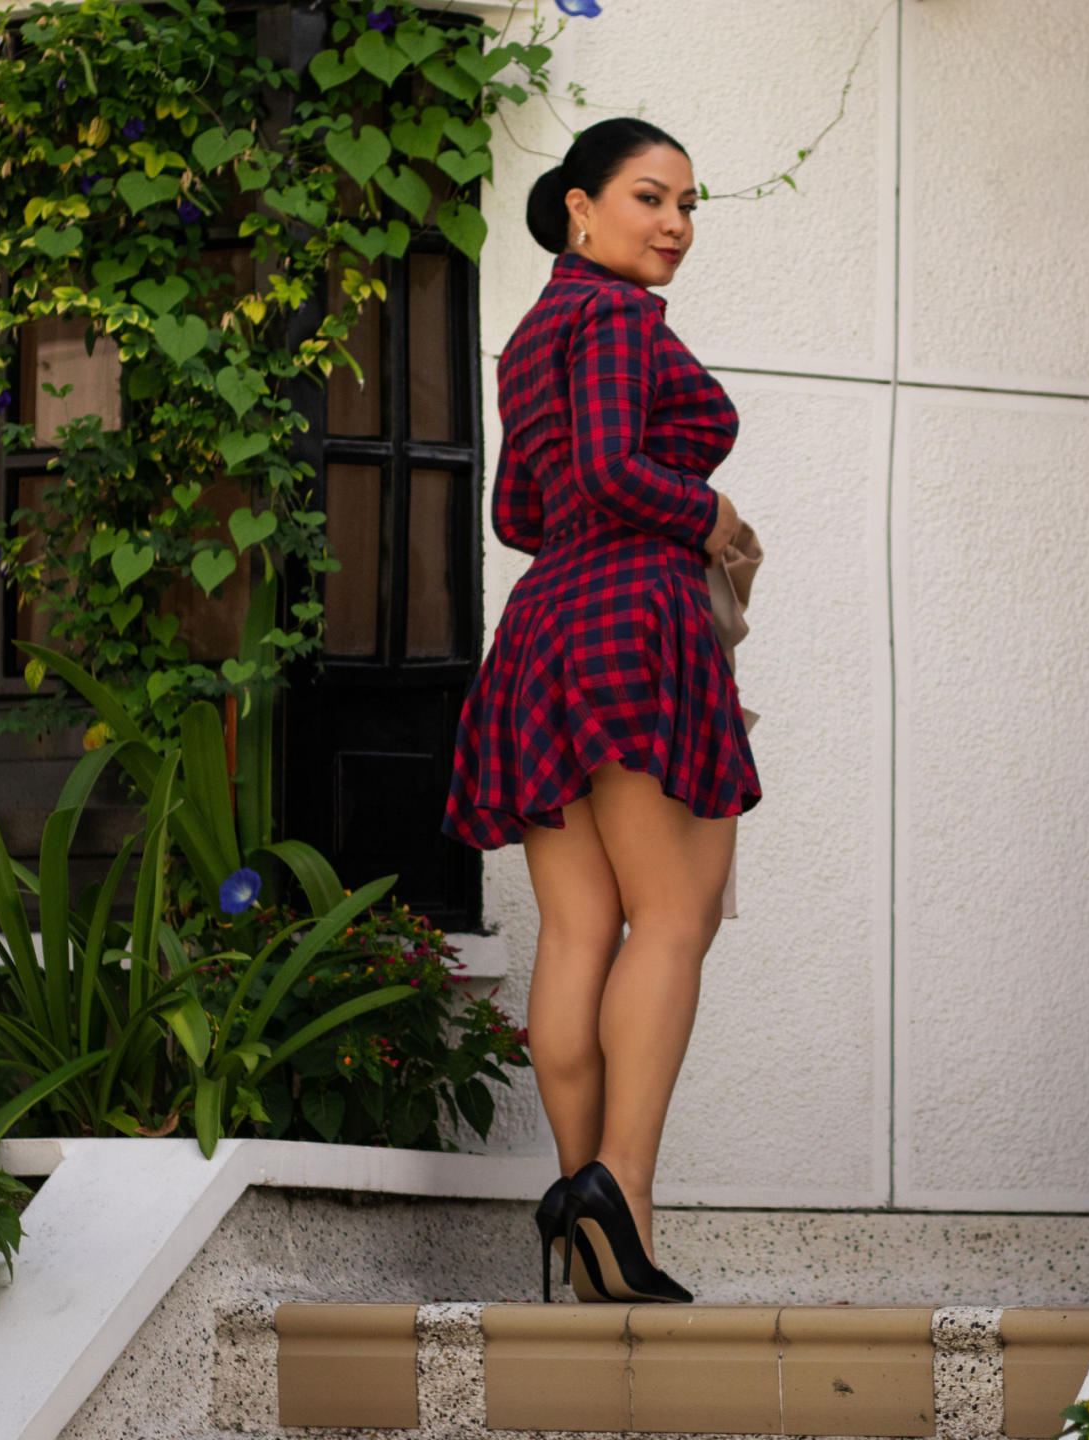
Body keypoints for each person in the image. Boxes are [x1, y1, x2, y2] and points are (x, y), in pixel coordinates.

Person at [439, 116, 757, 1305]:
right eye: (649, 197)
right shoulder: (621, 317)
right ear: (579, 207)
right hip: (632, 618)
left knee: (580, 934)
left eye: (687, 204)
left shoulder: (531, 336)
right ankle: (621, 1187)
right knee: (675, 916)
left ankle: (595, 1241)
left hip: (545, 628)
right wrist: (709, 516)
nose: (675, 224)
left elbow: (519, 513)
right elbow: (619, 471)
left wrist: (626, 510)